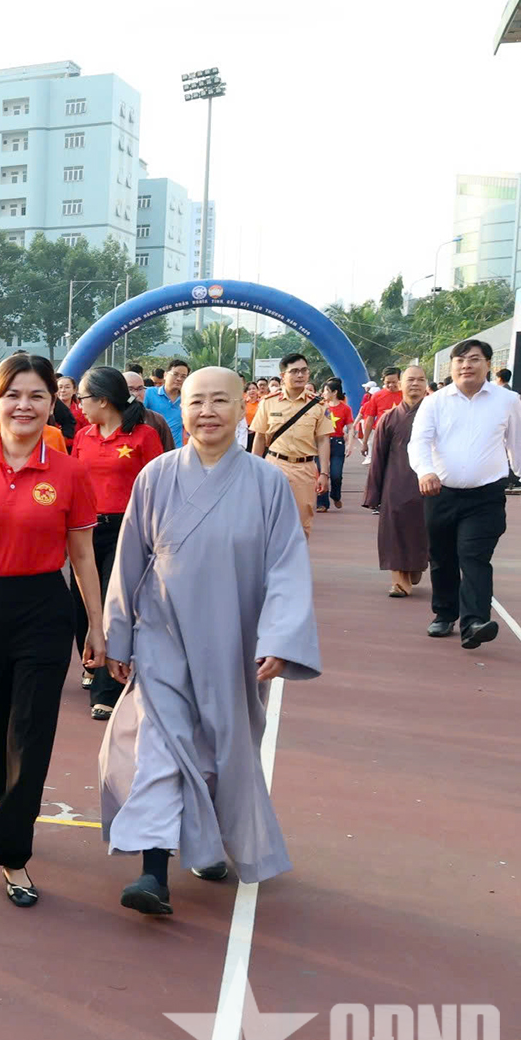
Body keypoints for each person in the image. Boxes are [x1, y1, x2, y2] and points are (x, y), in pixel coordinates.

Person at [100, 366, 322, 916]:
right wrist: (118, 637)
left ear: (243, 407)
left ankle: (208, 843)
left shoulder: (267, 483)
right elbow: (129, 560)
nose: (207, 412)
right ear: (182, 408)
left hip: (234, 641)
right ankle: (153, 872)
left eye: (220, 401)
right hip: (163, 635)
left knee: (221, 749)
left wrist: (279, 637)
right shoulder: (155, 476)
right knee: (159, 745)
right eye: (196, 401)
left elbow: (286, 566)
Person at [0, 353, 103, 909]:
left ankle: (12, 851)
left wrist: (96, 626)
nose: (23, 406)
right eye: (13, 395)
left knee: (30, 732)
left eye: (36, 396)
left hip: (44, 610)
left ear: (53, 403)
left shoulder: (70, 472)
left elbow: (83, 556)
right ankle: (0, 794)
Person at [407, 339, 521, 648]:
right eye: (460, 360)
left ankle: (475, 623)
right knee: (442, 557)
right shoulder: (435, 402)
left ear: (488, 364)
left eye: (474, 359)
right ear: (452, 366)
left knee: (474, 556)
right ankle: (444, 614)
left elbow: (518, 444)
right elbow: (419, 442)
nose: (466, 365)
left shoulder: (507, 400)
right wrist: (425, 471)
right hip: (440, 493)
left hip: (485, 497)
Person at [71, 366, 163, 719]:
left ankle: (106, 690)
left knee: (112, 604)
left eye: (82, 398)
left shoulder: (143, 436)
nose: (79, 405)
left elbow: (156, 488)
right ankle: (91, 661)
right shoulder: (83, 436)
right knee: (81, 603)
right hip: (84, 530)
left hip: (126, 529)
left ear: (103, 400)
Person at [362, 363, 432, 597]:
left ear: (426, 384)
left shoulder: (436, 415)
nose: (415, 384)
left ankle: (414, 567)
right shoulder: (389, 418)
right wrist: (374, 493)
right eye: (410, 380)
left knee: (422, 532)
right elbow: (378, 457)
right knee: (394, 533)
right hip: (396, 483)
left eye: (420, 380)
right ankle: (399, 582)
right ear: (401, 384)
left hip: (428, 485)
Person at [252, 352, 332, 539]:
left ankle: (297, 556)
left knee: (302, 522)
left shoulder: (318, 404)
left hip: (305, 468)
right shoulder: (268, 403)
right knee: (269, 519)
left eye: (304, 371)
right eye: (294, 371)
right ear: (283, 376)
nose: (300, 375)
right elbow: (260, 437)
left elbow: (323, 440)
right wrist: (253, 470)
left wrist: (324, 473)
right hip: (274, 465)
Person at [317, 379, 354, 512]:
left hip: (337, 442)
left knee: (336, 474)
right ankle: (322, 503)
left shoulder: (345, 408)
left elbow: (351, 428)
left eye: (326, 391)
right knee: (321, 472)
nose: (324, 393)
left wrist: (350, 445)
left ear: (334, 392)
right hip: (322, 441)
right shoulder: (320, 406)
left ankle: (336, 495)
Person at [124, 368, 177, 451]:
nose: (136, 394)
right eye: (130, 389)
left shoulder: (156, 420)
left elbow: (168, 451)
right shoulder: (112, 418)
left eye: (140, 388)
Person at [142, 359, 188, 448]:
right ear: (165, 375)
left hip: (176, 449)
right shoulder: (149, 393)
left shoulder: (187, 398)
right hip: (153, 448)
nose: (179, 379)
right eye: (175, 374)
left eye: (183, 376)